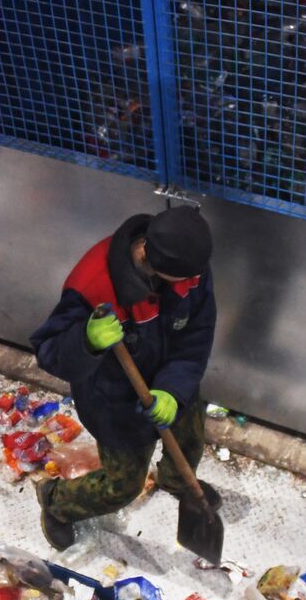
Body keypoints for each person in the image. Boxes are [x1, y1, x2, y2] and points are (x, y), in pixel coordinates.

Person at [29, 207, 220, 550]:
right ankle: (57, 502)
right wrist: (86, 341)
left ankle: (178, 482)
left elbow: (196, 335)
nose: (194, 283)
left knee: (189, 439)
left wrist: (173, 391)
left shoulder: (190, 269)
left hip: (172, 380)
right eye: (185, 279)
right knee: (123, 486)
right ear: (147, 252)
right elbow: (48, 351)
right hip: (115, 403)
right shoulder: (92, 283)